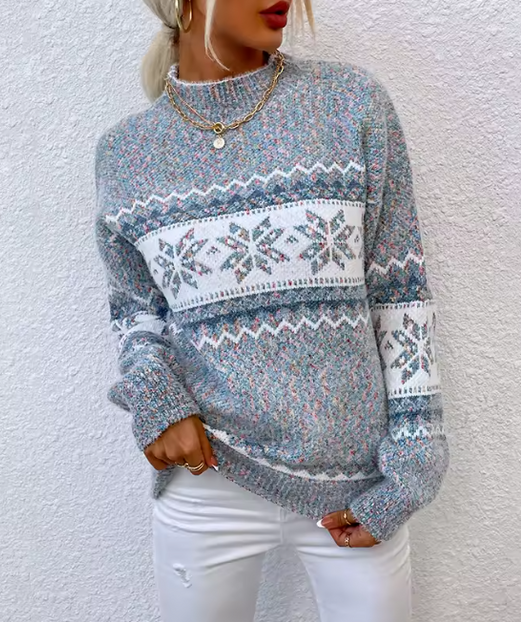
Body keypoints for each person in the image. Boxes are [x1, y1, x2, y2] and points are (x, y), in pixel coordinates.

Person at [93, 1, 450, 620]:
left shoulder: (350, 105)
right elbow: (136, 312)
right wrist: (158, 402)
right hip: (209, 483)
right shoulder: (126, 152)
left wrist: (415, 465)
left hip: (358, 487)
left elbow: (399, 293)